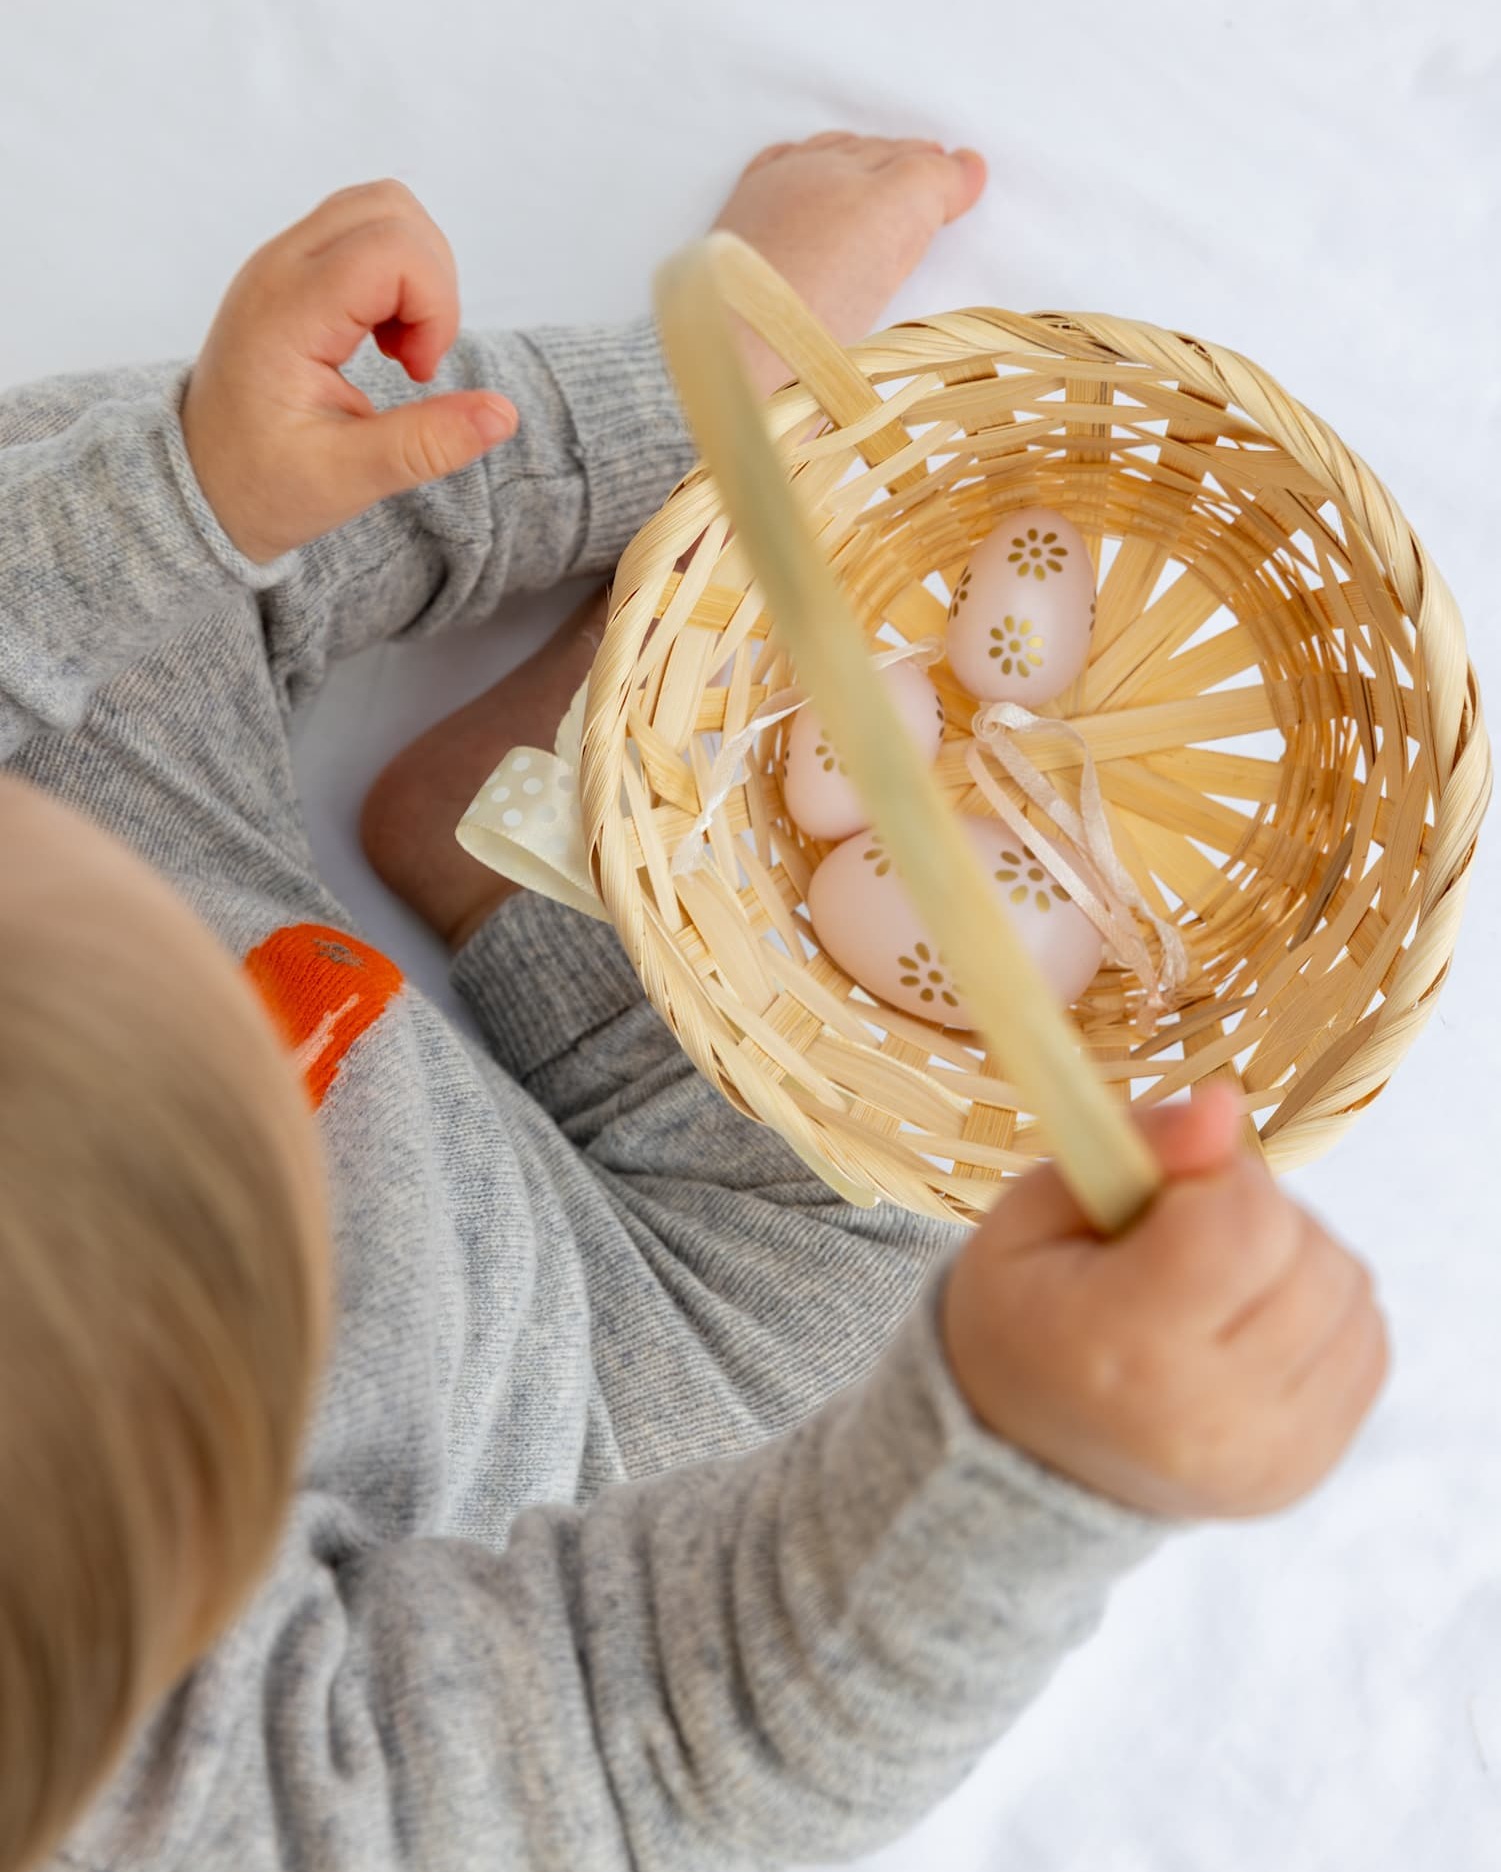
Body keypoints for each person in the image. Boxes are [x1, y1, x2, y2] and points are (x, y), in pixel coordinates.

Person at [0, 134, 1388, 1872]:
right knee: (856, 1360)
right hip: (492, 1404)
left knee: (117, 526)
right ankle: (533, 829)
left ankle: (676, 417)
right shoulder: (176, 1776)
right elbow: (644, 1748)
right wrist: (1033, 1463)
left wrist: (199, 492)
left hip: (121, 831)